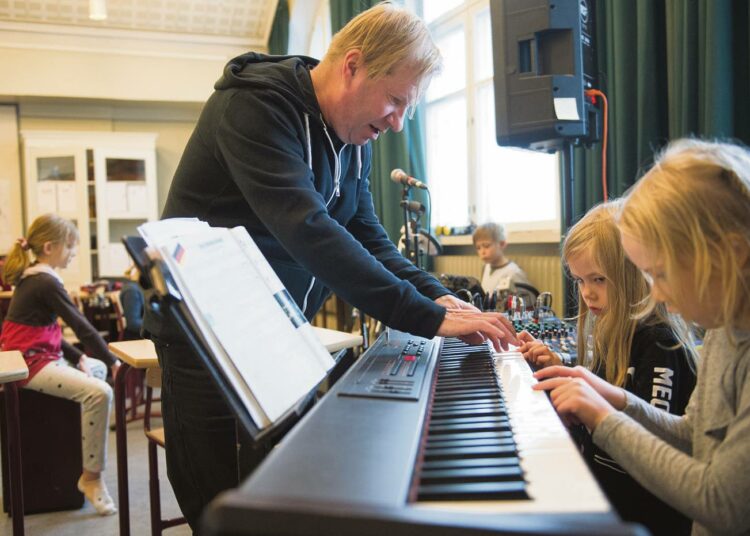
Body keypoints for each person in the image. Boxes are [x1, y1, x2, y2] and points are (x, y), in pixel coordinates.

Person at [143, 2, 517, 530]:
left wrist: (435, 296)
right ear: (353, 65)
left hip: (273, 333)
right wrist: (425, 318)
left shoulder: (350, 139)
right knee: (217, 503)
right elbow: (308, 231)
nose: (397, 122)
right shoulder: (256, 107)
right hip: (202, 337)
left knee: (273, 489)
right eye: (395, 100)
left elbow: (367, 236)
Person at [533, 139, 750, 535]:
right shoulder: (724, 330)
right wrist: (614, 397)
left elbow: (725, 505)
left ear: (731, 254)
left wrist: (603, 418)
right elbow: (691, 437)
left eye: (661, 274)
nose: (658, 294)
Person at [518, 201, 697, 535]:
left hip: (640, 518)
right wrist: (563, 372)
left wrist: (588, 411)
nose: (587, 293)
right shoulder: (609, 330)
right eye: (579, 281)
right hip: (605, 499)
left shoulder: (659, 343)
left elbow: (652, 448)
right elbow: (604, 397)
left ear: (633, 273)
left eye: (598, 279)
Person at [0, 213, 120, 516]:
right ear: (51, 247)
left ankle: (75, 451)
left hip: (37, 355)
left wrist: (79, 355)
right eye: (70, 247)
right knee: (100, 392)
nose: (73, 254)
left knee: (96, 371)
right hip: (28, 364)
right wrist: (113, 359)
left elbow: (45, 328)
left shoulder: (36, 277)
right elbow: (81, 326)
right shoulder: (43, 282)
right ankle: (91, 478)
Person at [473, 222, 530, 296]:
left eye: (486, 246)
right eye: (478, 248)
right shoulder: (485, 267)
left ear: (502, 244)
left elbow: (526, 301)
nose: (482, 252)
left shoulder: (514, 272)